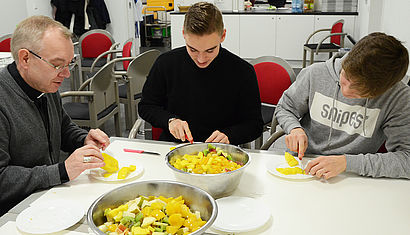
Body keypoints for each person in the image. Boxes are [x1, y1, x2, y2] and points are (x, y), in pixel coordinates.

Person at [0, 15, 109, 215]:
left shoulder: (44, 84)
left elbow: (63, 126)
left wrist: (83, 139)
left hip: (47, 198)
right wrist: (60, 171)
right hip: (13, 213)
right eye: (58, 64)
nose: (66, 74)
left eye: (70, 63)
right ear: (25, 58)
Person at [275, 32, 410, 180]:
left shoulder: (399, 98)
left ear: (381, 91)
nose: (345, 91)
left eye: (358, 92)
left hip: (352, 174)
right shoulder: (315, 73)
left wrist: (348, 163)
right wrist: (294, 128)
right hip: (303, 162)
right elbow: (285, 107)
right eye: (344, 78)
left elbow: (406, 160)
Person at [138, 2, 263, 145]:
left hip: (220, 155)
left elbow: (254, 124)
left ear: (223, 36)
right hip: (175, 148)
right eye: (193, 49)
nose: (201, 59)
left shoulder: (242, 71)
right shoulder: (166, 63)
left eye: (210, 50)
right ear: (184, 34)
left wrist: (230, 135)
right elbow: (146, 106)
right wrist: (170, 121)